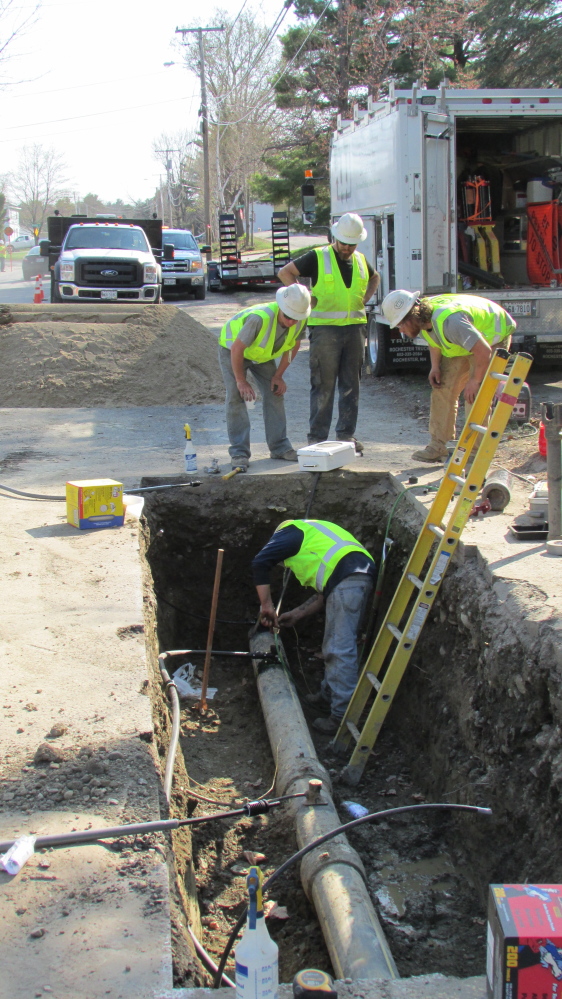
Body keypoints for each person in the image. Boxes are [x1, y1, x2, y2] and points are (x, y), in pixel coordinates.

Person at [252, 517, 376, 734]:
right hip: (356, 576)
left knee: (339, 649)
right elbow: (324, 595)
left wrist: (267, 606)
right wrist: (297, 614)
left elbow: (260, 563)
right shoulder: (316, 536)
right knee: (337, 643)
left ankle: (341, 717)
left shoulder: (288, 533)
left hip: (349, 580)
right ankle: (327, 696)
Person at [278, 213, 379, 452]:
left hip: (354, 328)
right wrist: (303, 297)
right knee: (323, 384)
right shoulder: (318, 256)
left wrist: (365, 299)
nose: (346, 247)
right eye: (343, 242)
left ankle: (345, 436)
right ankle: (318, 438)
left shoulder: (361, 260)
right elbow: (285, 273)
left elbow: (375, 277)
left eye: (351, 243)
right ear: (335, 237)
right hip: (324, 330)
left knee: (351, 384)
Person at [382, 290, 516, 462]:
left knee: (475, 396)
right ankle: (439, 445)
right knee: (442, 386)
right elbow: (433, 339)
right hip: (467, 339)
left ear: (411, 316)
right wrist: (435, 367)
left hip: (490, 338)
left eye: (401, 325)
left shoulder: (450, 322)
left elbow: (483, 351)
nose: (401, 330)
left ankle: (474, 453)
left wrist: (475, 381)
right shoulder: (424, 318)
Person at [218, 284, 312, 471]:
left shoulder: (300, 318)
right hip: (233, 350)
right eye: (288, 317)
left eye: (296, 318)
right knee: (237, 396)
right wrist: (241, 381)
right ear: (281, 308)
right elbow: (237, 349)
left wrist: (278, 376)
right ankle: (239, 453)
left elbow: (293, 346)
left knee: (275, 392)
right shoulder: (259, 319)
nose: (292, 322)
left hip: (261, 355)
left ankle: (279, 447)